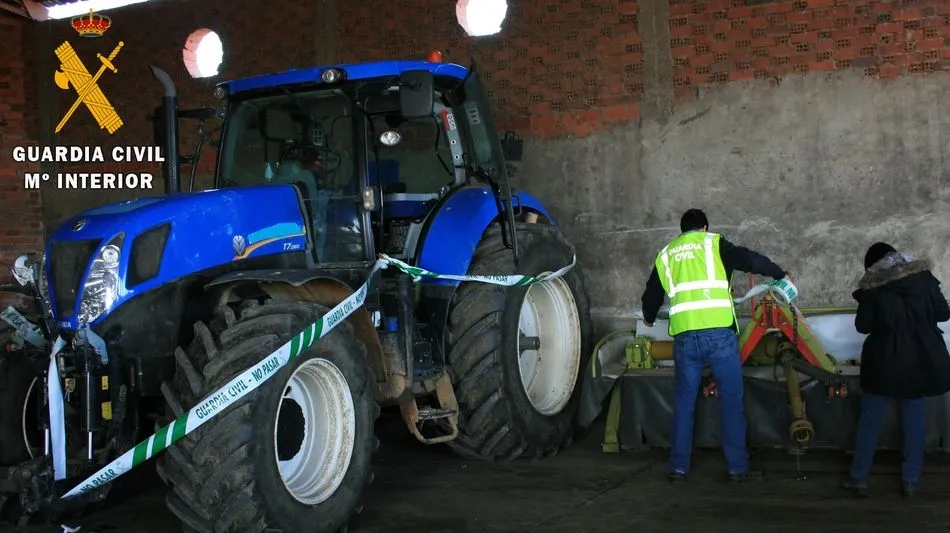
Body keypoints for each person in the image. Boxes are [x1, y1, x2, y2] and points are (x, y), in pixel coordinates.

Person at [641, 208, 787, 484]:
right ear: (705, 228)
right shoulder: (714, 244)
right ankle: (737, 469)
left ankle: (678, 468)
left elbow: (651, 294)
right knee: (731, 402)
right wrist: (778, 273)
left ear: (682, 230)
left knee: (684, 405)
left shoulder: (667, 254)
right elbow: (750, 259)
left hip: (685, 339)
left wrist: (648, 318)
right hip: (719, 337)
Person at [841, 242, 950, 498]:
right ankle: (911, 480)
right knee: (914, 420)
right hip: (919, 362)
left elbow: (863, 327)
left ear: (873, 265)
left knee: (870, 421)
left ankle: (859, 478)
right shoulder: (924, 279)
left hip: (883, 362)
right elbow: (944, 314)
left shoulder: (873, 288)